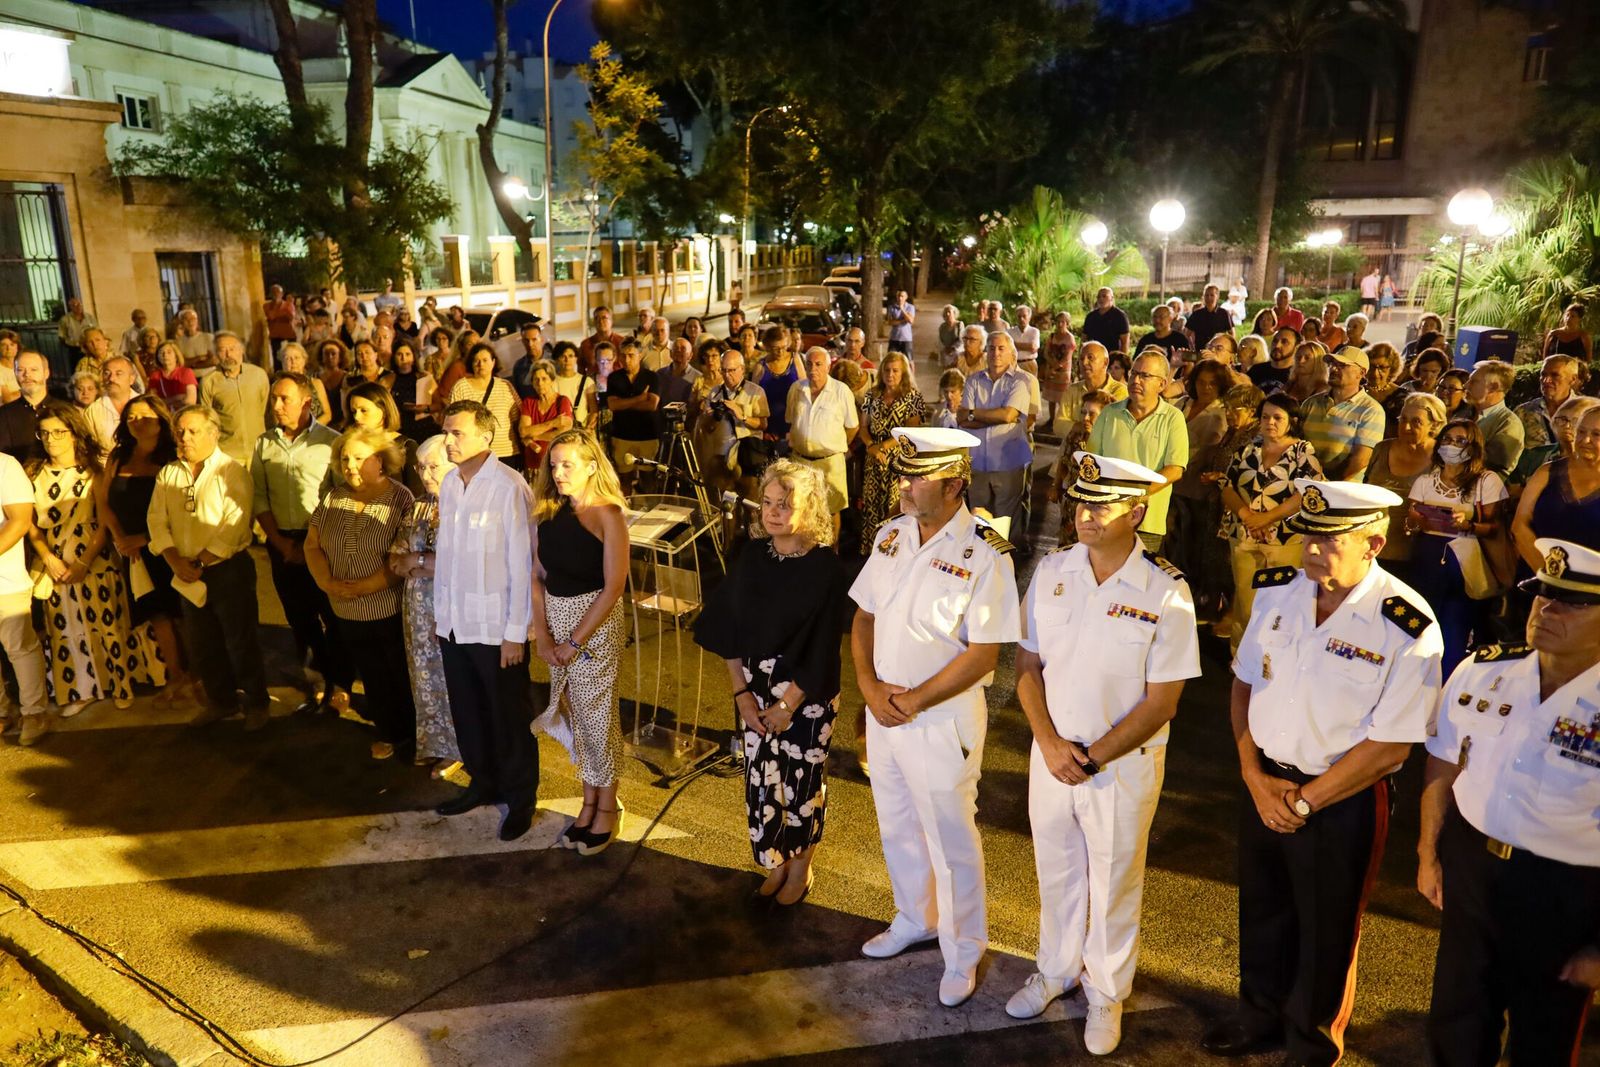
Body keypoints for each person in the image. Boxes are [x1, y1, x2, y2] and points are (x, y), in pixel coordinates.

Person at [1204, 479, 1442, 1066]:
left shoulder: (1406, 625)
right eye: (1308, 535)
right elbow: (1241, 685)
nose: (1311, 550)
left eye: (1329, 540)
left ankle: (1312, 1043)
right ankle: (1258, 1016)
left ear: (1374, 544)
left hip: (1342, 800)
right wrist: (1255, 778)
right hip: (1265, 784)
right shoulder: (1276, 593)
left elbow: (1391, 746)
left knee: (1328, 926)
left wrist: (1304, 802)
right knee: (1262, 908)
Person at [1007, 452, 1200, 1055]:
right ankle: (1057, 968)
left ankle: (1107, 991)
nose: (1085, 513)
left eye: (1102, 503)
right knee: (1056, 869)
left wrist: (1088, 756)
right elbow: (1026, 666)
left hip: (1118, 766)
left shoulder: (1166, 590)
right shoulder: (1053, 569)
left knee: (1114, 879)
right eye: (1081, 500)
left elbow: (1162, 701)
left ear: (1138, 511)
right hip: (1052, 755)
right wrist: (1048, 742)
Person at [850, 426, 1020, 1009]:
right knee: (896, 821)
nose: (904, 485)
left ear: (953, 484)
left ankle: (964, 948)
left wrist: (915, 699)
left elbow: (984, 652)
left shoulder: (985, 551)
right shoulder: (892, 535)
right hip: (885, 709)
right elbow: (864, 616)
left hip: (939, 717)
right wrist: (869, 688)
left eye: (917, 476)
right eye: (904, 473)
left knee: (950, 836)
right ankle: (914, 917)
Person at [1418, 538, 1600, 1067]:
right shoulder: (1484, 670)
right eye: (1543, 596)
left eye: (1572, 602)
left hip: (1566, 892)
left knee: (1543, 1038)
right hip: (1473, 868)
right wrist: (1429, 851)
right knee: (1456, 1020)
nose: (1547, 610)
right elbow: (1444, 761)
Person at [695, 460, 845, 902]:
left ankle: (801, 870)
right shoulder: (752, 556)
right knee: (763, 781)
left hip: (807, 694)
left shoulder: (826, 568)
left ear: (810, 507)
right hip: (755, 687)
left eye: (785, 503)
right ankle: (777, 860)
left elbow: (822, 648)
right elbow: (728, 629)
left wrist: (788, 704)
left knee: (801, 783)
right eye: (767, 502)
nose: (773, 512)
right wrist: (741, 693)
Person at [431, 400, 538, 841]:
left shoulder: (509, 487)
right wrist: (442, 619)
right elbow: (450, 558)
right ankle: (483, 780)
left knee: (509, 717)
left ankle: (521, 797)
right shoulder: (450, 484)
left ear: (485, 436)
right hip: (455, 623)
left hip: (496, 630)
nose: (448, 441)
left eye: (457, 433)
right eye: (446, 433)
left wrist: (516, 633)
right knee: (469, 713)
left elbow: (523, 564)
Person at [529, 430, 632, 855]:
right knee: (576, 715)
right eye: (554, 465)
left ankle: (607, 807)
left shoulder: (609, 514)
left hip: (594, 625)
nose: (558, 473)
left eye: (568, 464)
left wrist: (573, 640)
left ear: (592, 466)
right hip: (556, 624)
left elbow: (614, 587)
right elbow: (537, 576)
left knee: (597, 717)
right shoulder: (547, 513)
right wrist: (542, 635)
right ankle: (589, 801)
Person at [27, 401, 157, 713]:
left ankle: (119, 683)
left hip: (93, 557)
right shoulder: (33, 472)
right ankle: (79, 690)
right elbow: (29, 522)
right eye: (45, 433)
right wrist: (48, 557)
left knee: (106, 622)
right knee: (65, 628)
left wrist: (84, 561)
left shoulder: (94, 472)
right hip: (53, 560)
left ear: (74, 434)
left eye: (59, 432)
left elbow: (103, 519)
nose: (52, 439)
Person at [149, 406, 269, 729]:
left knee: (240, 639)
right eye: (180, 432)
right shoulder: (169, 473)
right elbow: (156, 520)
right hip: (185, 571)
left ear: (213, 433)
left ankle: (257, 703)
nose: (184, 438)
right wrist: (175, 560)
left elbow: (234, 522)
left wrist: (201, 561)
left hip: (226, 569)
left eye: (192, 431)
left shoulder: (231, 471)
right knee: (203, 643)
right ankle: (222, 701)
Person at [304, 428, 415, 760]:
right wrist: (325, 582)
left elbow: (403, 553)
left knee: (401, 675)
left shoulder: (400, 497)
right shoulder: (333, 497)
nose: (349, 465)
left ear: (379, 461)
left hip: (388, 608)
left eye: (358, 458)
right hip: (346, 609)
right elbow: (312, 545)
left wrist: (369, 586)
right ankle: (389, 733)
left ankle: (413, 737)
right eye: (344, 458)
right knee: (372, 676)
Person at [253, 372, 349, 715]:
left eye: (284, 399)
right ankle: (317, 682)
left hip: (322, 542)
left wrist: (316, 542)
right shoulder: (263, 444)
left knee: (333, 615)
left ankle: (341, 683)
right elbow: (259, 498)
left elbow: (340, 495)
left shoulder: (330, 442)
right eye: (274, 399)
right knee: (300, 618)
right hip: (283, 544)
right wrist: (280, 543)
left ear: (306, 402)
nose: (277, 406)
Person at [1217, 393, 1323, 656]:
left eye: (1277, 418)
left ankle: (1275, 658)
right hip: (1244, 534)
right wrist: (1247, 516)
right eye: (1265, 417)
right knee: (1245, 602)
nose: (1270, 422)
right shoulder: (1246, 450)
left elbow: (1308, 494)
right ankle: (1240, 659)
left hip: (1284, 540)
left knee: (1281, 602)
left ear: (1292, 421)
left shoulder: (1303, 453)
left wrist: (1268, 517)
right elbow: (1226, 487)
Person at [96, 396, 189, 696]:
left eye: (145, 416)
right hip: (132, 551)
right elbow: (104, 504)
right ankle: (175, 676)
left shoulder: (173, 456)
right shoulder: (119, 456)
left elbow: (183, 510)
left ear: (161, 418)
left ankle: (200, 675)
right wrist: (121, 538)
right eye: (131, 417)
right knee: (155, 613)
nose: (137, 422)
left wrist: (147, 539)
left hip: (169, 545)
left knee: (183, 612)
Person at [386, 435, 461, 778]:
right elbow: (396, 558)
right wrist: (424, 563)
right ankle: (432, 744)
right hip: (417, 604)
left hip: (450, 606)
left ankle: (457, 748)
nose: (426, 473)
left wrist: (418, 562)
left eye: (434, 466)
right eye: (421, 466)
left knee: (451, 677)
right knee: (423, 676)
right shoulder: (418, 505)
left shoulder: (463, 506)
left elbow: (460, 562)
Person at [1087, 351, 1188, 552]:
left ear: (1162, 384)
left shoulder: (1173, 418)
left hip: (1148, 522)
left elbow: (1175, 469)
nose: (1136, 380)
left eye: (1145, 376)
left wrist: (1134, 495)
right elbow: (1092, 460)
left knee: (1140, 579)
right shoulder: (1110, 412)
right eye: (1134, 373)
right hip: (1108, 516)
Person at [1364, 392, 1447, 587]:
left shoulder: (1441, 459)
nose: (1406, 427)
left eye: (1416, 422)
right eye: (1403, 419)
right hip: (1371, 546)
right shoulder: (1382, 449)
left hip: (1416, 553)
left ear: (1433, 426)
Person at [0, 440, 50, 745]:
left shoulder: (5, 466)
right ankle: (3, 712)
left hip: (5, 580)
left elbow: (19, 522)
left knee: (19, 647)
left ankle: (35, 713)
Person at [1512, 405, 1600, 575]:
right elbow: (1519, 525)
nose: (1585, 440)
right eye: (1581, 432)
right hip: (1537, 580)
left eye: (1596, 435)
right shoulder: (1547, 472)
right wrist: (1549, 575)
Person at [857, 350, 926, 551]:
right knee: (872, 506)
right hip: (874, 458)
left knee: (896, 507)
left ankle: (895, 549)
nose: (890, 374)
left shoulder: (913, 397)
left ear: (903, 372)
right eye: (887, 370)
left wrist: (884, 447)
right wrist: (871, 446)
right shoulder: (872, 394)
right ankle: (871, 550)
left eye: (895, 370)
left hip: (898, 460)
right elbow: (863, 427)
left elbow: (911, 431)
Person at [787, 346, 859, 530]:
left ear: (828, 367)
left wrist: (837, 448)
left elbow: (853, 426)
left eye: (818, 364)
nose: (813, 369)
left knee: (831, 511)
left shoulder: (841, 391)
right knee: (801, 509)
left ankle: (831, 553)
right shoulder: (796, 389)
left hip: (830, 463)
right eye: (809, 364)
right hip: (800, 461)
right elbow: (790, 421)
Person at [1299, 346, 1383, 480]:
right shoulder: (1311, 403)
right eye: (1332, 364)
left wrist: (1331, 488)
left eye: (1342, 365)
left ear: (1361, 373)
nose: (1333, 369)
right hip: (1304, 483)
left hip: (1342, 489)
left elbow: (1361, 459)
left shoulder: (1371, 410)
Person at [1047, 389, 1113, 546]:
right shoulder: (1076, 435)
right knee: (1066, 548)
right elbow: (1064, 460)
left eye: (1092, 414)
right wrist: (1056, 486)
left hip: (1096, 507)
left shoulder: (1110, 441)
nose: (1085, 418)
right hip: (1071, 503)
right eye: (1083, 412)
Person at [704, 347, 769, 499]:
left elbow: (763, 425)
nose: (727, 375)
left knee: (750, 502)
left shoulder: (756, 391)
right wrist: (710, 418)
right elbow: (708, 429)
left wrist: (742, 416)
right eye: (724, 370)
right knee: (726, 505)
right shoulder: (715, 393)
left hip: (748, 455)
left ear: (742, 369)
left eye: (732, 370)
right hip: (721, 456)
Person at [199, 333, 270, 468]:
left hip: (259, 450)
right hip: (228, 454)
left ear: (241, 350)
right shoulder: (209, 382)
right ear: (216, 354)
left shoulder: (259, 375)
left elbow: (265, 410)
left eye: (232, 349)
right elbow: (207, 420)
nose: (228, 354)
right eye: (222, 350)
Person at [447, 342, 522, 470]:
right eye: (476, 361)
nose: (480, 364)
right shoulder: (461, 387)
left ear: (493, 362)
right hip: (474, 453)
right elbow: (452, 420)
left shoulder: (505, 386)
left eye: (485, 360)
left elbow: (517, 417)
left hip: (506, 451)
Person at [603, 338, 660, 493]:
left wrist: (624, 403)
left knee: (648, 479)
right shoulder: (614, 378)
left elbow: (652, 405)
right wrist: (640, 399)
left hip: (647, 436)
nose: (626, 360)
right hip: (622, 436)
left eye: (631, 355)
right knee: (624, 479)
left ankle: (648, 512)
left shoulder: (651, 377)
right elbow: (613, 405)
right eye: (623, 356)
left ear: (640, 355)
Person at [1514, 353, 1582, 451]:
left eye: (1555, 375)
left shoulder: (1588, 412)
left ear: (1572, 379)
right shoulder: (1523, 412)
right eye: (1543, 374)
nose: (1546, 380)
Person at [518, 362, 574, 475]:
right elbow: (523, 432)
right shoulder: (528, 402)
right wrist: (553, 423)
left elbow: (562, 435)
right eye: (536, 380)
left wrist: (535, 436)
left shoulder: (562, 401)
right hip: (533, 464)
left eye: (544, 379)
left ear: (552, 380)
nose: (540, 383)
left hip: (556, 466)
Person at [753, 325, 801, 442]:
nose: (780, 352)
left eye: (783, 347)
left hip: (793, 422)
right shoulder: (760, 366)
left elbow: (804, 390)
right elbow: (753, 401)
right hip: (770, 426)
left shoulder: (795, 359)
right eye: (775, 348)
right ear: (768, 346)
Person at [0, 352, 51, 462]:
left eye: (33, 369)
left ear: (46, 373)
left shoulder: (65, 411)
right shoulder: (3, 415)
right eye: (20, 370)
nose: (27, 375)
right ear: (15, 374)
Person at [552, 341, 598, 433]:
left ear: (576, 358)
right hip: (560, 432)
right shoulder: (551, 382)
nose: (567, 360)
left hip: (582, 430)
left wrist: (588, 429)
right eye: (562, 356)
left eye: (570, 356)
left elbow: (594, 410)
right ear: (557, 359)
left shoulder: (587, 382)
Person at [1040, 312, 1075, 427]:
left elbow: (1067, 357)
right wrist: (1051, 366)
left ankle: (1061, 420)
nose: (1060, 324)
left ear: (1067, 323)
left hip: (1063, 372)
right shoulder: (1052, 336)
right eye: (1058, 321)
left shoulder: (1070, 338)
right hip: (1051, 370)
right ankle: (1051, 419)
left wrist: (1055, 367)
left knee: (1062, 397)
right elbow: (1046, 352)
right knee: (1051, 397)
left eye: (1063, 322)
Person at [1365, 342, 1407, 437]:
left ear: (1392, 368)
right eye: (1372, 367)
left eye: (1382, 368)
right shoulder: (1357, 391)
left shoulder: (1401, 396)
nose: (1375, 373)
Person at [578, 306, 626, 376]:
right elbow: (580, 370)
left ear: (611, 321)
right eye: (597, 318)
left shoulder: (622, 342)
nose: (600, 321)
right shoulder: (586, 344)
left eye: (604, 318)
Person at [1083, 287, 1131, 356]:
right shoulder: (1090, 317)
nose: (1101, 299)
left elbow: (1125, 343)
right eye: (1098, 297)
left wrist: (1122, 362)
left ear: (1111, 298)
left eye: (1104, 296)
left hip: (1112, 358)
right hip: (1092, 357)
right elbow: (1084, 339)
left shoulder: (1120, 316)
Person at [1187, 284, 1235, 352]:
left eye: (1212, 295)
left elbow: (1232, 333)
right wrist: (1191, 348)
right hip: (1201, 352)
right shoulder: (1197, 314)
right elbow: (1186, 334)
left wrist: (1228, 349)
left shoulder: (1224, 313)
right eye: (1206, 295)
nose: (1209, 298)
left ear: (1217, 296)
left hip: (1219, 352)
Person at [171, 309, 214, 378]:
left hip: (210, 377)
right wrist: (198, 358)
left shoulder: (208, 337)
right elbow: (181, 364)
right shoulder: (178, 342)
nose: (190, 321)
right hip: (191, 379)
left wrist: (192, 364)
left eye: (192, 318)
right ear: (181, 323)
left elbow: (214, 361)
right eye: (186, 319)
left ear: (197, 321)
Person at [57, 297, 96, 370]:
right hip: (74, 349)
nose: (78, 307)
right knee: (76, 370)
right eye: (75, 305)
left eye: (79, 304)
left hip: (89, 348)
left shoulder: (90, 317)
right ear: (70, 307)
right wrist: (69, 345)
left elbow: (97, 331)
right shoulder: (65, 320)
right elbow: (61, 336)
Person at [886, 290, 916, 356]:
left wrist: (902, 309)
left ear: (906, 297)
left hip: (906, 338)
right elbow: (890, 322)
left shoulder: (910, 307)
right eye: (899, 296)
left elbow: (910, 320)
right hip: (894, 338)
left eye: (902, 296)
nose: (900, 298)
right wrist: (903, 321)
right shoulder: (892, 307)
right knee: (891, 358)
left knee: (909, 361)